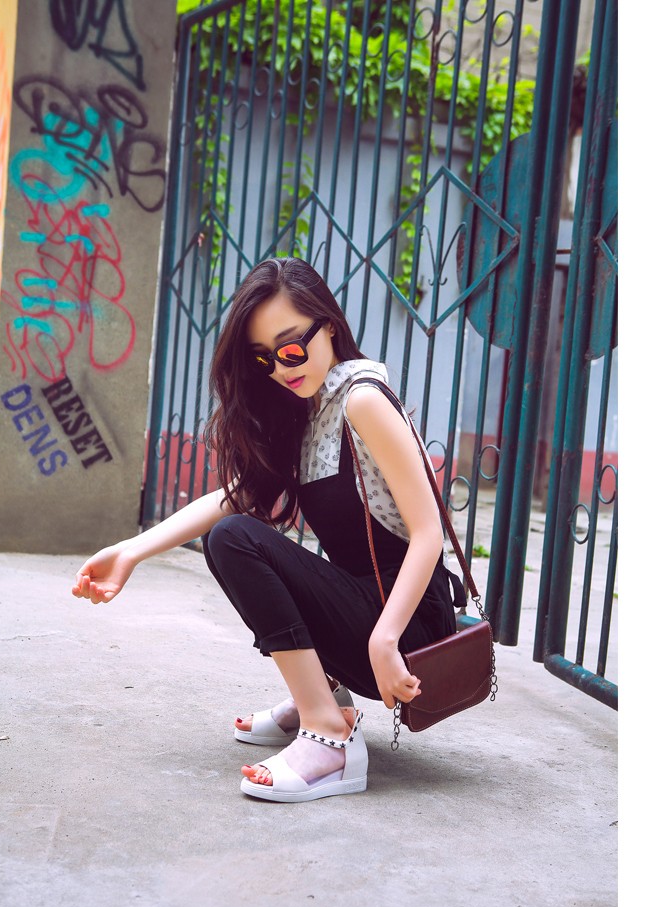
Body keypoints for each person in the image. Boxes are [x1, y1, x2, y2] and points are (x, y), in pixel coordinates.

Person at [72, 257, 463, 803]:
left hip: (410, 628)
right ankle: (320, 697)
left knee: (236, 538)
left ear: (329, 325)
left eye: (291, 348)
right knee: (229, 534)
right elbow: (232, 498)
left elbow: (428, 534)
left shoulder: (363, 400)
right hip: (370, 614)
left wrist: (385, 638)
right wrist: (132, 552)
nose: (281, 368)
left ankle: (328, 734)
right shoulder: (309, 410)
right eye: (264, 358)